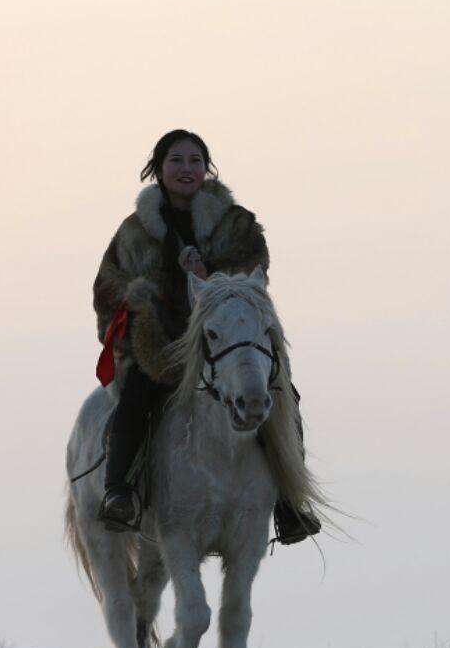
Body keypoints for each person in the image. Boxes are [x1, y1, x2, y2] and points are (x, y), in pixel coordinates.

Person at [91, 129, 321, 545]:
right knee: (136, 398)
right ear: (159, 170)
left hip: (227, 341)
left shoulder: (238, 225)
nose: (186, 168)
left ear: (207, 168)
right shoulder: (133, 232)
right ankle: (119, 492)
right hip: (163, 343)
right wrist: (135, 300)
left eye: (195, 160)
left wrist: (206, 277)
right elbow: (106, 285)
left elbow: (254, 276)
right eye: (176, 160)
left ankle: (290, 505)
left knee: (281, 394)